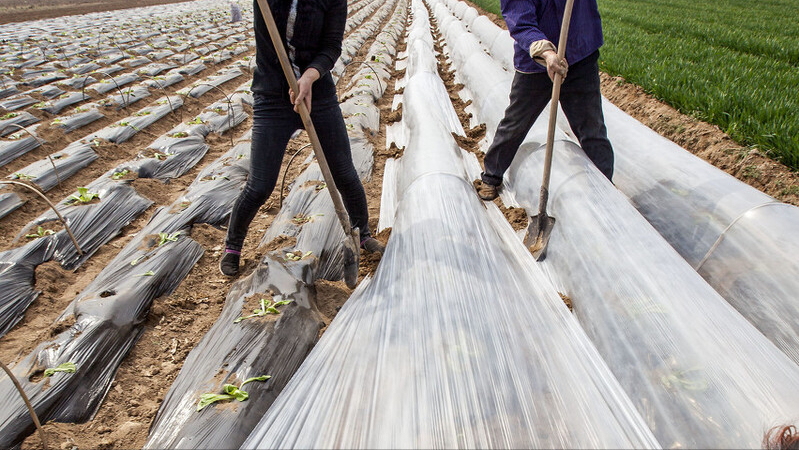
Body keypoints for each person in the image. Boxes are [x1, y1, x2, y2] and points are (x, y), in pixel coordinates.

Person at [220, 0, 384, 276]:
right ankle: (233, 246)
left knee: (343, 172)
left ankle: (361, 234)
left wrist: (309, 77)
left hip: (317, 94)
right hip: (272, 96)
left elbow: (332, 46)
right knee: (260, 185)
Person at [476, 0, 614, 201]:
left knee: (592, 130)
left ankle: (606, 194)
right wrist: (547, 53)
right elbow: (521, 22)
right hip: (537, 64)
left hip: (580, 54)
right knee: (515, 123)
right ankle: (491, 176)